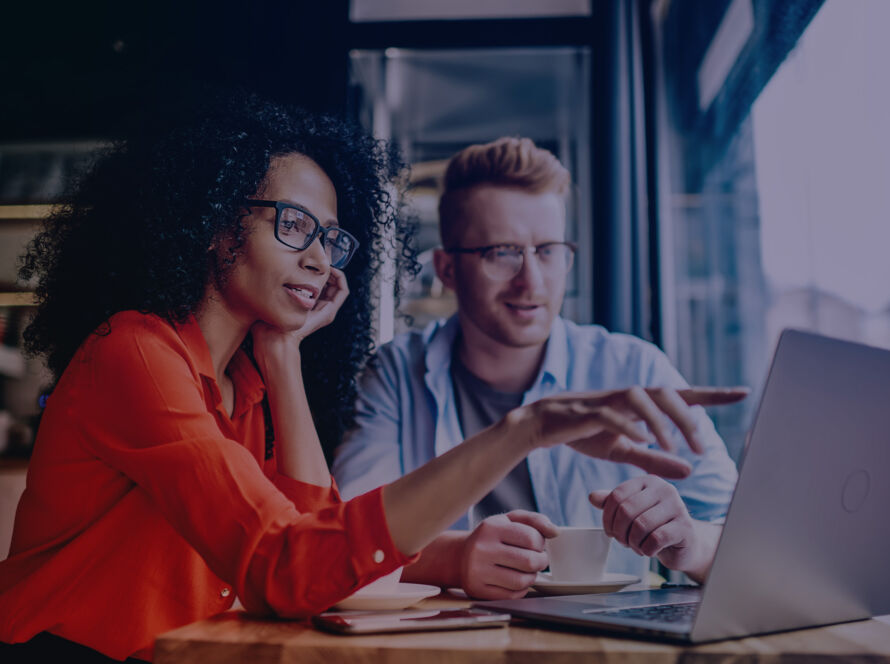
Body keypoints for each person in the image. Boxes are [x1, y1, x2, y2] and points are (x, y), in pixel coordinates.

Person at [0, 99, 743, 663]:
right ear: (216, 225)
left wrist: (283, 360)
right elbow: (293, 568)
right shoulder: (136, 352)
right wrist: (525, 429)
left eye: (331, 238)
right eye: (294, 226)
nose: (322, 259)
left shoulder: (246, 386)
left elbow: (311, 550)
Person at [332, 137, 743, 599]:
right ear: (447, 269)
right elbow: (343, 539)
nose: (532, 280)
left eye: (548, 250)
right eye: (502, 252)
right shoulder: (395, 373)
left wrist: (689, 543)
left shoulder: (634, 368)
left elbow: (748, 538)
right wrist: (455, 558)